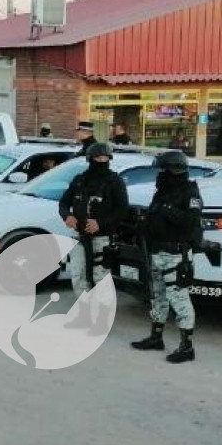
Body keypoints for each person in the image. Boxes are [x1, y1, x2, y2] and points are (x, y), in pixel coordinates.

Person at [130, 150, 204, 363]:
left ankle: (187, 346)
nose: (159, 175)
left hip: (176, 254)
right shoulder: (161, 193)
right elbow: (154, 217)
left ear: (173, 171)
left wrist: (167, 211)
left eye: (162, 170)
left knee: (179, 299)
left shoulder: (190, 193)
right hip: (157, 251)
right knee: (157, 296)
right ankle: (156, 337)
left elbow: (191, 221)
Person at [59, 142, 129, 332]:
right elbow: (64, 203)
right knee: (78, 276)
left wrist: (101, 223)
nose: (102, 161)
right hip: (79, 236)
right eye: (98, 158)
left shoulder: (115, 182)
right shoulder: (80, 180)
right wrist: (68, 216)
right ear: (91, 159)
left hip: (102, 239)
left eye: (105, 158)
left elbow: (123, 210)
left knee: (101, 280)